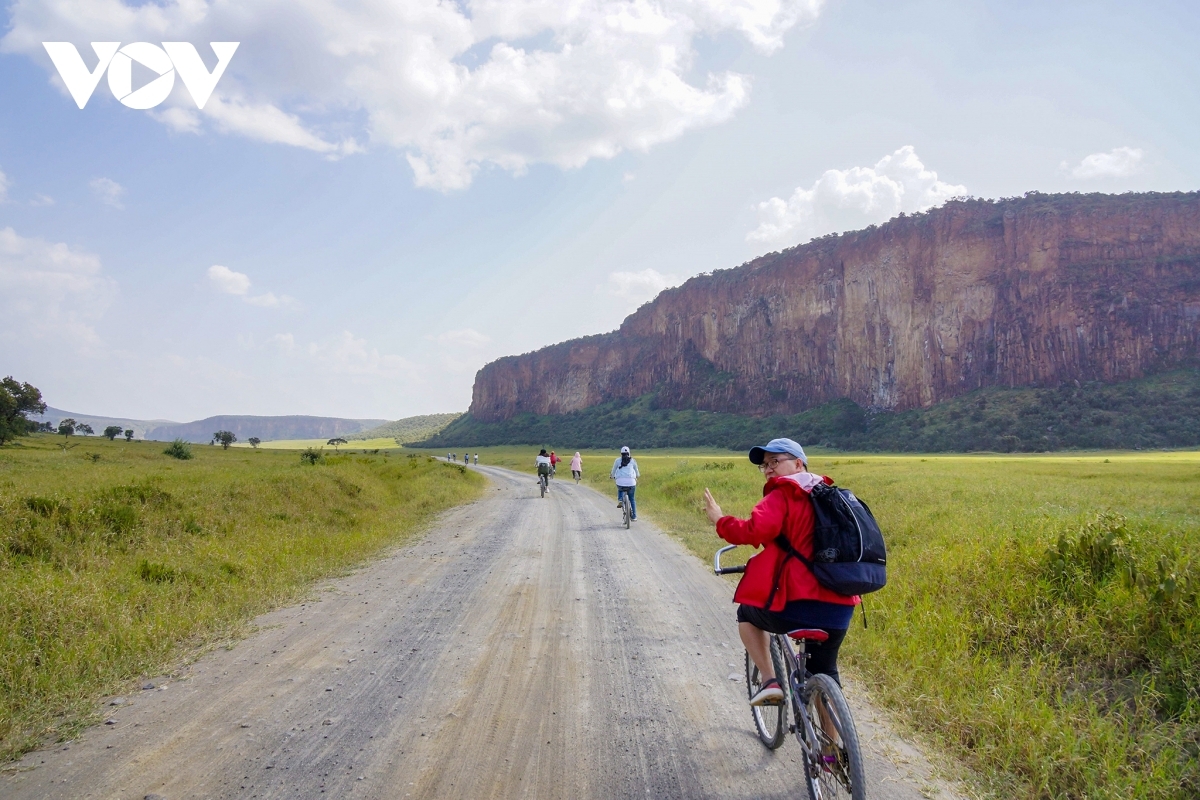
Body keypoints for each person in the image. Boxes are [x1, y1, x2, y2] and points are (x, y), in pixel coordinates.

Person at [703, 438, 859, 706]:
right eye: (764, 465)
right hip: (842, 606)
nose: (768, 469)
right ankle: (831, 749)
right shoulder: (835, 497)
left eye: (775, 461)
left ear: (799, 463)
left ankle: (769, 681)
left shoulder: (783, 494)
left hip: (798, 606)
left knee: (746, 615)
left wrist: (719, 519)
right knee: (824, 673)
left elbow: (752, 531)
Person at [610, 446, 640, 521]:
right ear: (629, 453)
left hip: (620, 481)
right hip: (631, 482)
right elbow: (636, 470)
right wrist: (637, 476)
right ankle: (634, 516)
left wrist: (612, 476)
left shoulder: (617, 460)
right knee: (632, 499)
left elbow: (613, 470)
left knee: (620, 489)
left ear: (621, 453)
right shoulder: (633, 460)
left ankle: (620, 500)